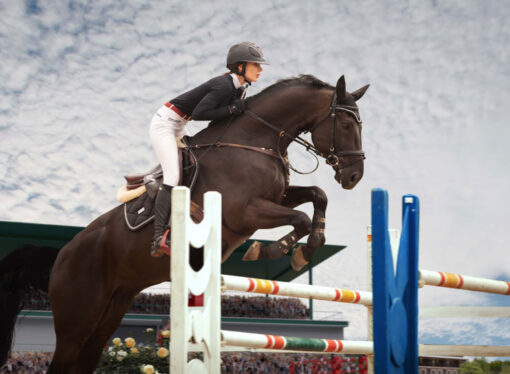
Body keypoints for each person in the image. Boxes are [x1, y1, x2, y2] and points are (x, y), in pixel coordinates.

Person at [149, 41, 268, 257]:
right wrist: (231, 109)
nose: (260, 69)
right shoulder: (224, 85)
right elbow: (200, 114)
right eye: (256, 65)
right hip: (165, 124)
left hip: (179, 125)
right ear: (240, 66)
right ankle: (158, 237)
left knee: (199, 162)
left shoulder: (238, 89)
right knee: (173, 176)